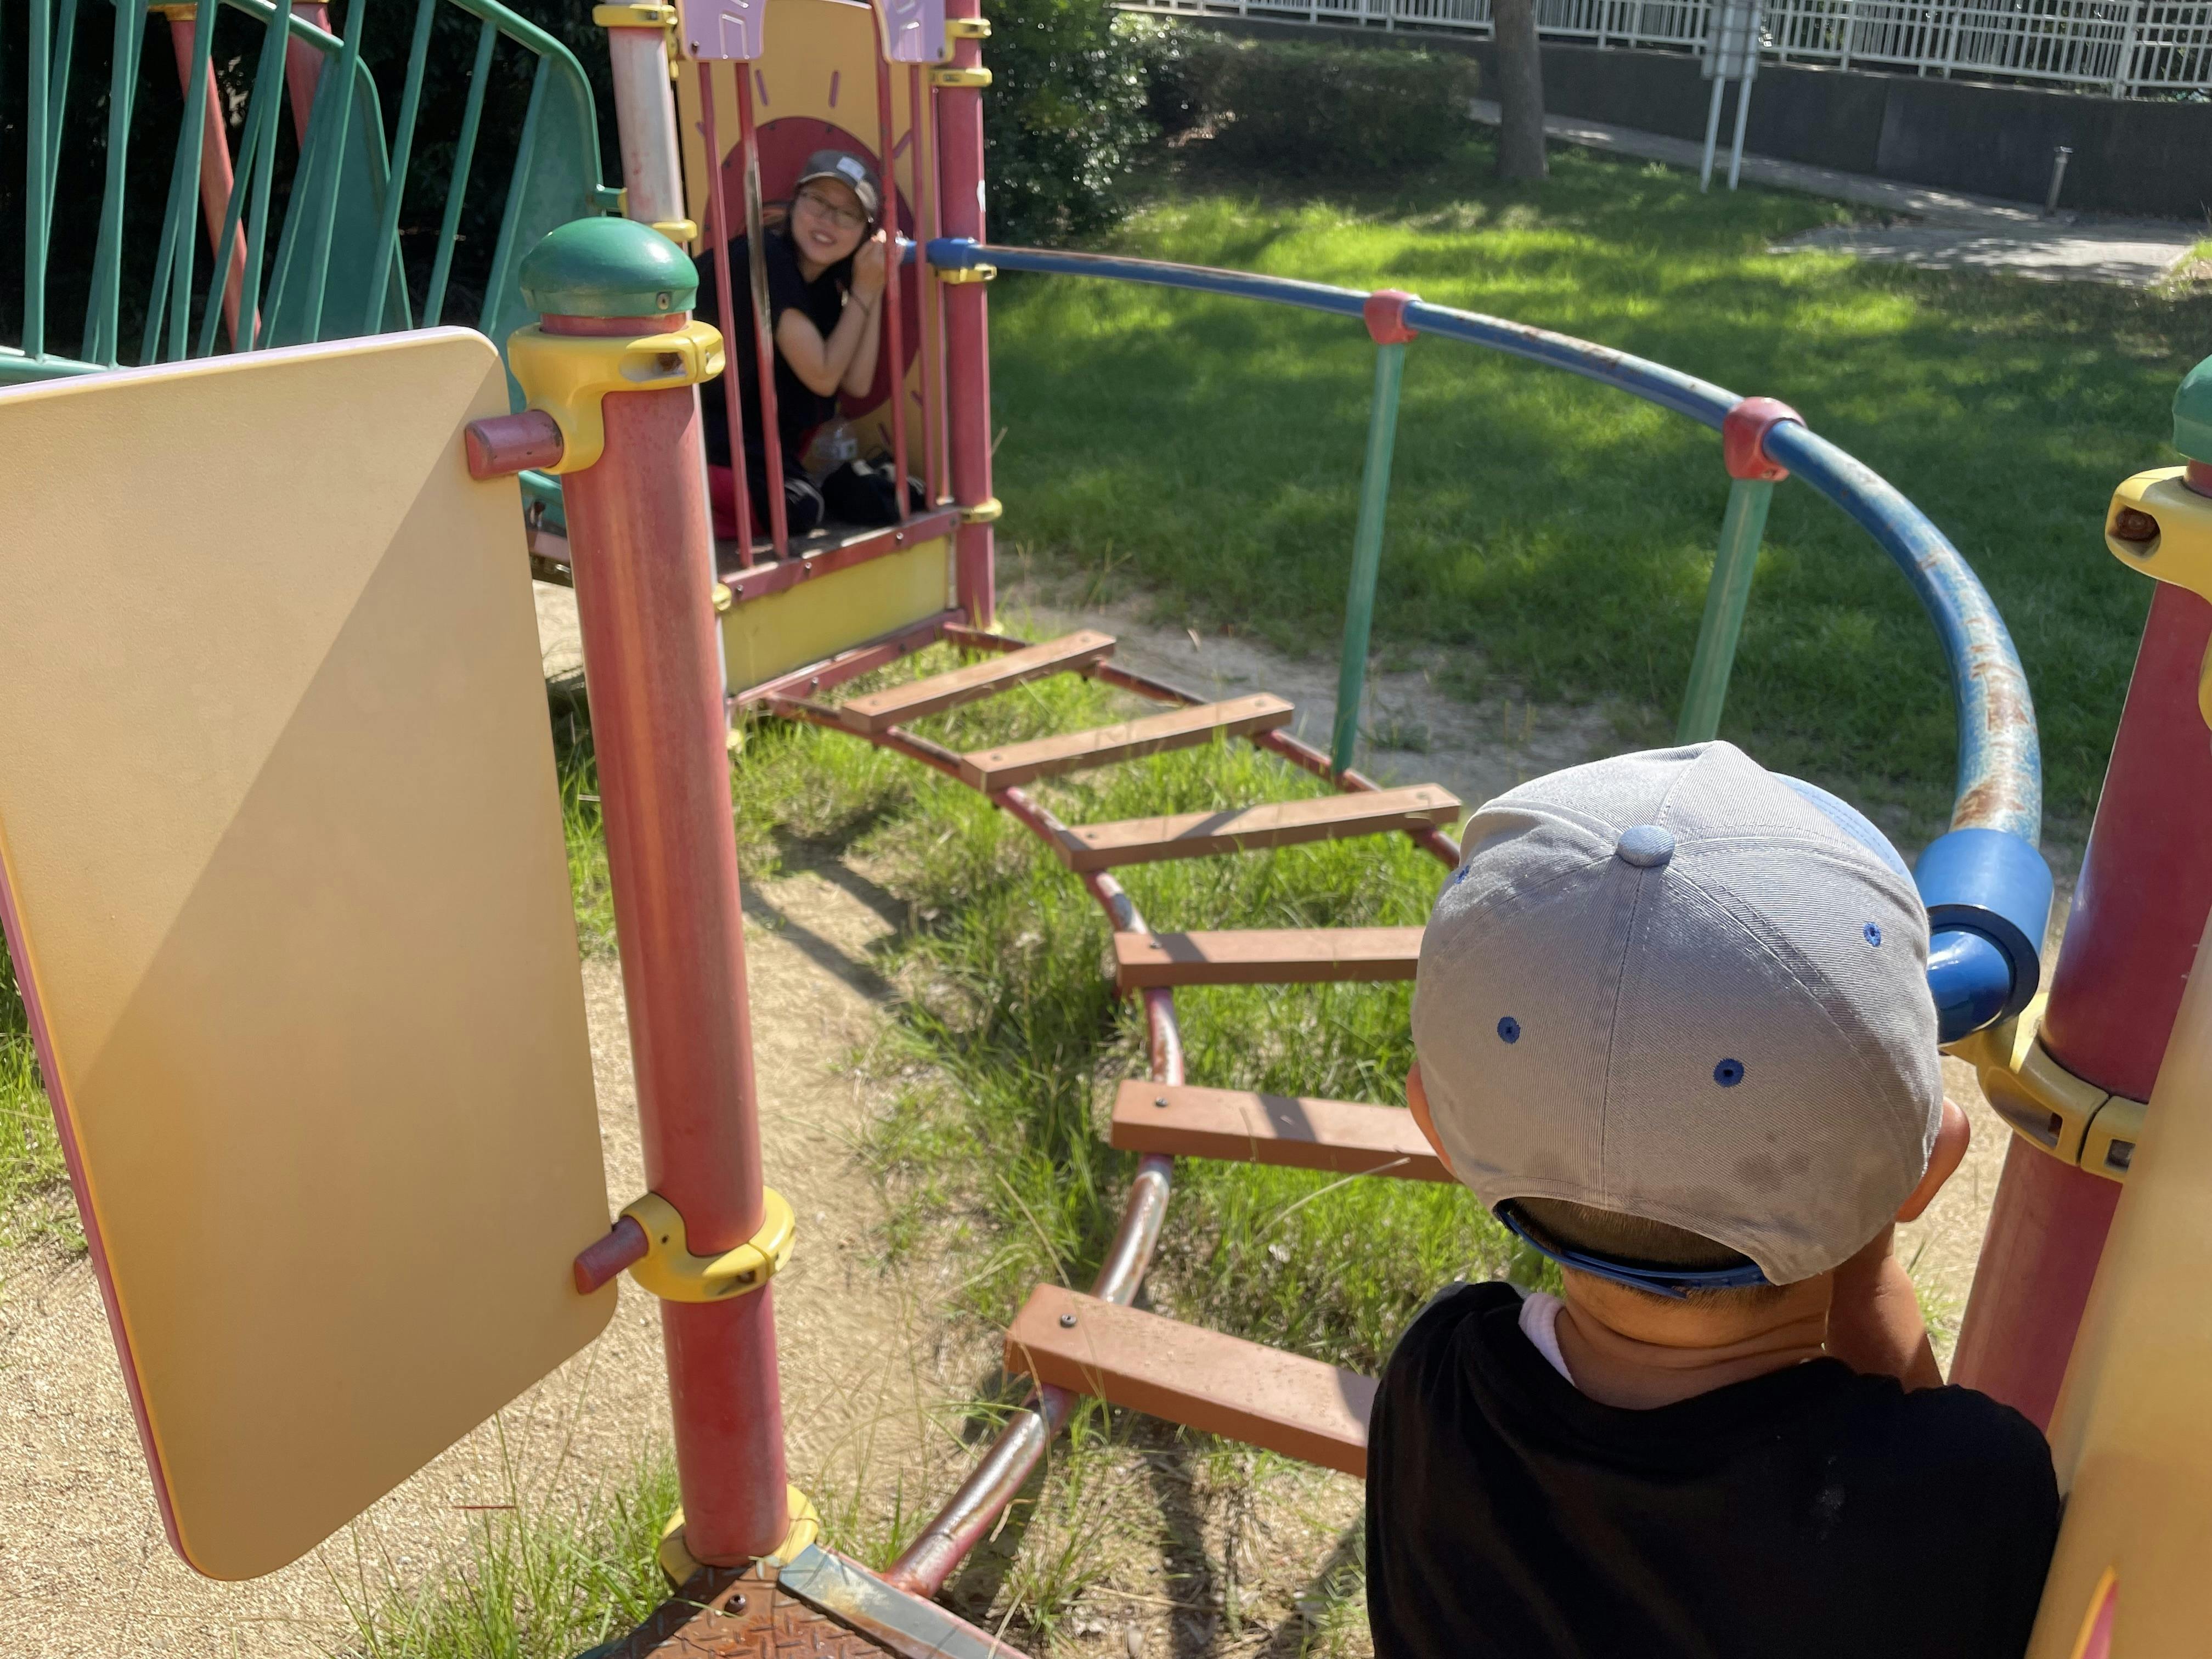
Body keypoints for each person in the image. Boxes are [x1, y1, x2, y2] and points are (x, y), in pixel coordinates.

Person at [1368, 740, 2061, 1659]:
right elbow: (1924, 1484)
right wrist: (1861, 1254)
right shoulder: (1969, 1488)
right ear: (1930, 1167)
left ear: (1433, 1121)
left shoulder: (1435, 1383)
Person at [693, 149, 911, 544]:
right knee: (796, 506)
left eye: (847, 214)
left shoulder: (823, 287)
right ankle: (678, 500)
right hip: (700, 432)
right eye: (818, 202)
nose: (828, 220)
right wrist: (865, 290)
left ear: (864, 232)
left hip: (744, 442)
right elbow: (824, 377)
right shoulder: (762, 258)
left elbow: (857, 382)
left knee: (808, 501)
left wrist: (875, 285)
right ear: (795, 202)